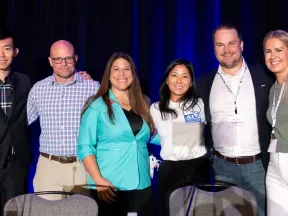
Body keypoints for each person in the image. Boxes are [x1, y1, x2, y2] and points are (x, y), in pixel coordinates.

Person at [196, 24, 274, 216]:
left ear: (241, 44)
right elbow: (191, 124)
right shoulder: (203, 83)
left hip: (259, 167)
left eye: (231, 43)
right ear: (214, 49)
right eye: (220, 45)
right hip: (223, 168)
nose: (226, 50)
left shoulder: (265, 76)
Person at [77, 52, 156, 216]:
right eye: (116, 69)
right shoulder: (96, 105)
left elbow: (153, 137)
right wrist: (98, 180)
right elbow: (85, 147)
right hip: (110, 185)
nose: (122, 74)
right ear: (109, 74)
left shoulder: (144, 103)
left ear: (133, 74)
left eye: (127, 69)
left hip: (142, 183)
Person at [27, 40, 100, 200]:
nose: (63, 63)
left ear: (76, 58)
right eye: (58, 59)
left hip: (82, 165)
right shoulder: (39, 89)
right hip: (49, 167)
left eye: (68, 58)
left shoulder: (93, 88)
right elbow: (21, 122)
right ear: (50, 61)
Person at [150, 59, 211, 216]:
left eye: (185, 76)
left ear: (191, 82)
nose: (179, 80)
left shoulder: (200, 104)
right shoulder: (155, 109)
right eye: (174, 75)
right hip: (170, 170)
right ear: (167, 79)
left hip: (198, 168)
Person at [0, 27, 31, 216]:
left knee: (15, 213)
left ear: (15, 52)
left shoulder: (25, 81)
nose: (2, 55)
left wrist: (81, 76)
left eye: (7, 48)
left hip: (15, 164)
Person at [263, 30, 288, 215]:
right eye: (268, 51)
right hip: (274, 162)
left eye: (279, 50)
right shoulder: (273, 88)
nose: (273, 56)